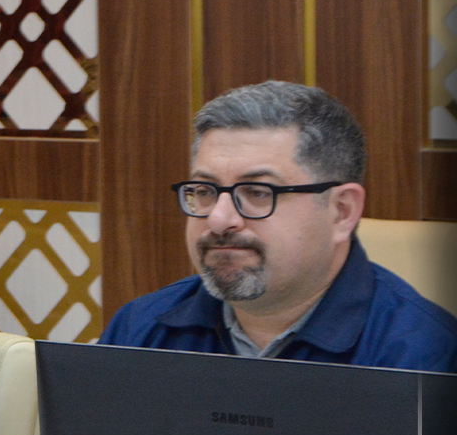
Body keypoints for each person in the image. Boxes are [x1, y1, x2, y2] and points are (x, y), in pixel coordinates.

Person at [101, 81, 457, 373]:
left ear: (341, 212)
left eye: (258, 192)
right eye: (205, 191)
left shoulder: (426, 356)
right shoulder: (140, 330)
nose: (219, 219)